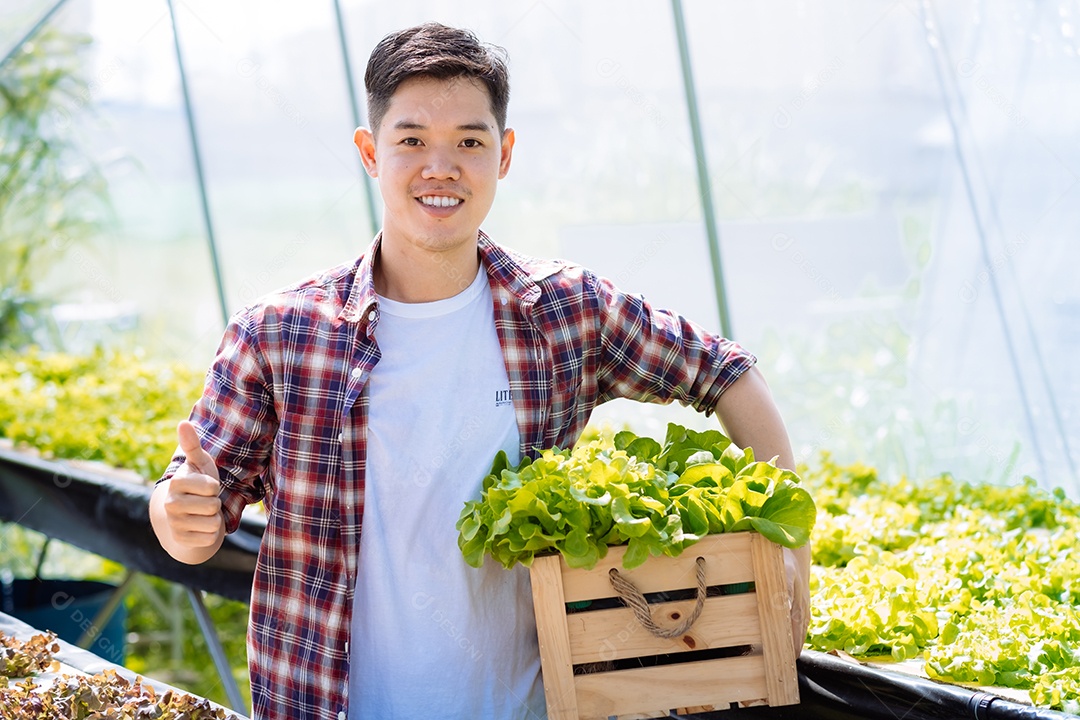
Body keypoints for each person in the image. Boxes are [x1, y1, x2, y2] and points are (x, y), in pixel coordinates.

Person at [149, 21, 810, 720]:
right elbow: (187, 509)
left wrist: (790, 548)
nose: (441, 167)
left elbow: (728, 374)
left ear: (505, 153)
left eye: (469, 141)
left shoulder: (564, 312)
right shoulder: (282, 335)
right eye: (411, 141)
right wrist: (181, 515)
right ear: (370, 153)